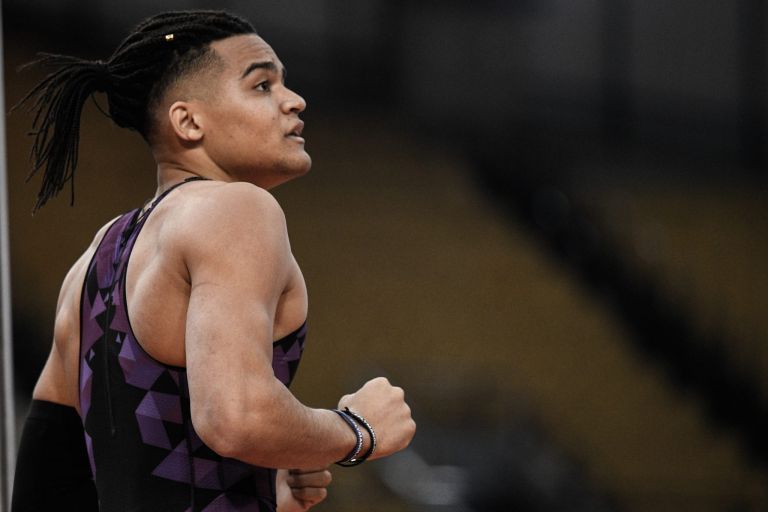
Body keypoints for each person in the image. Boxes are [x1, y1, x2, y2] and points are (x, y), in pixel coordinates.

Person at [11, 10, 416, 512]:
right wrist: (357, 431)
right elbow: (237, 418)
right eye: (262, 85)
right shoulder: (236, 209)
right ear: (188, 121)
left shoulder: (94, 261)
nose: (295, 100)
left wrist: (254, 490)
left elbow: (48, 478)